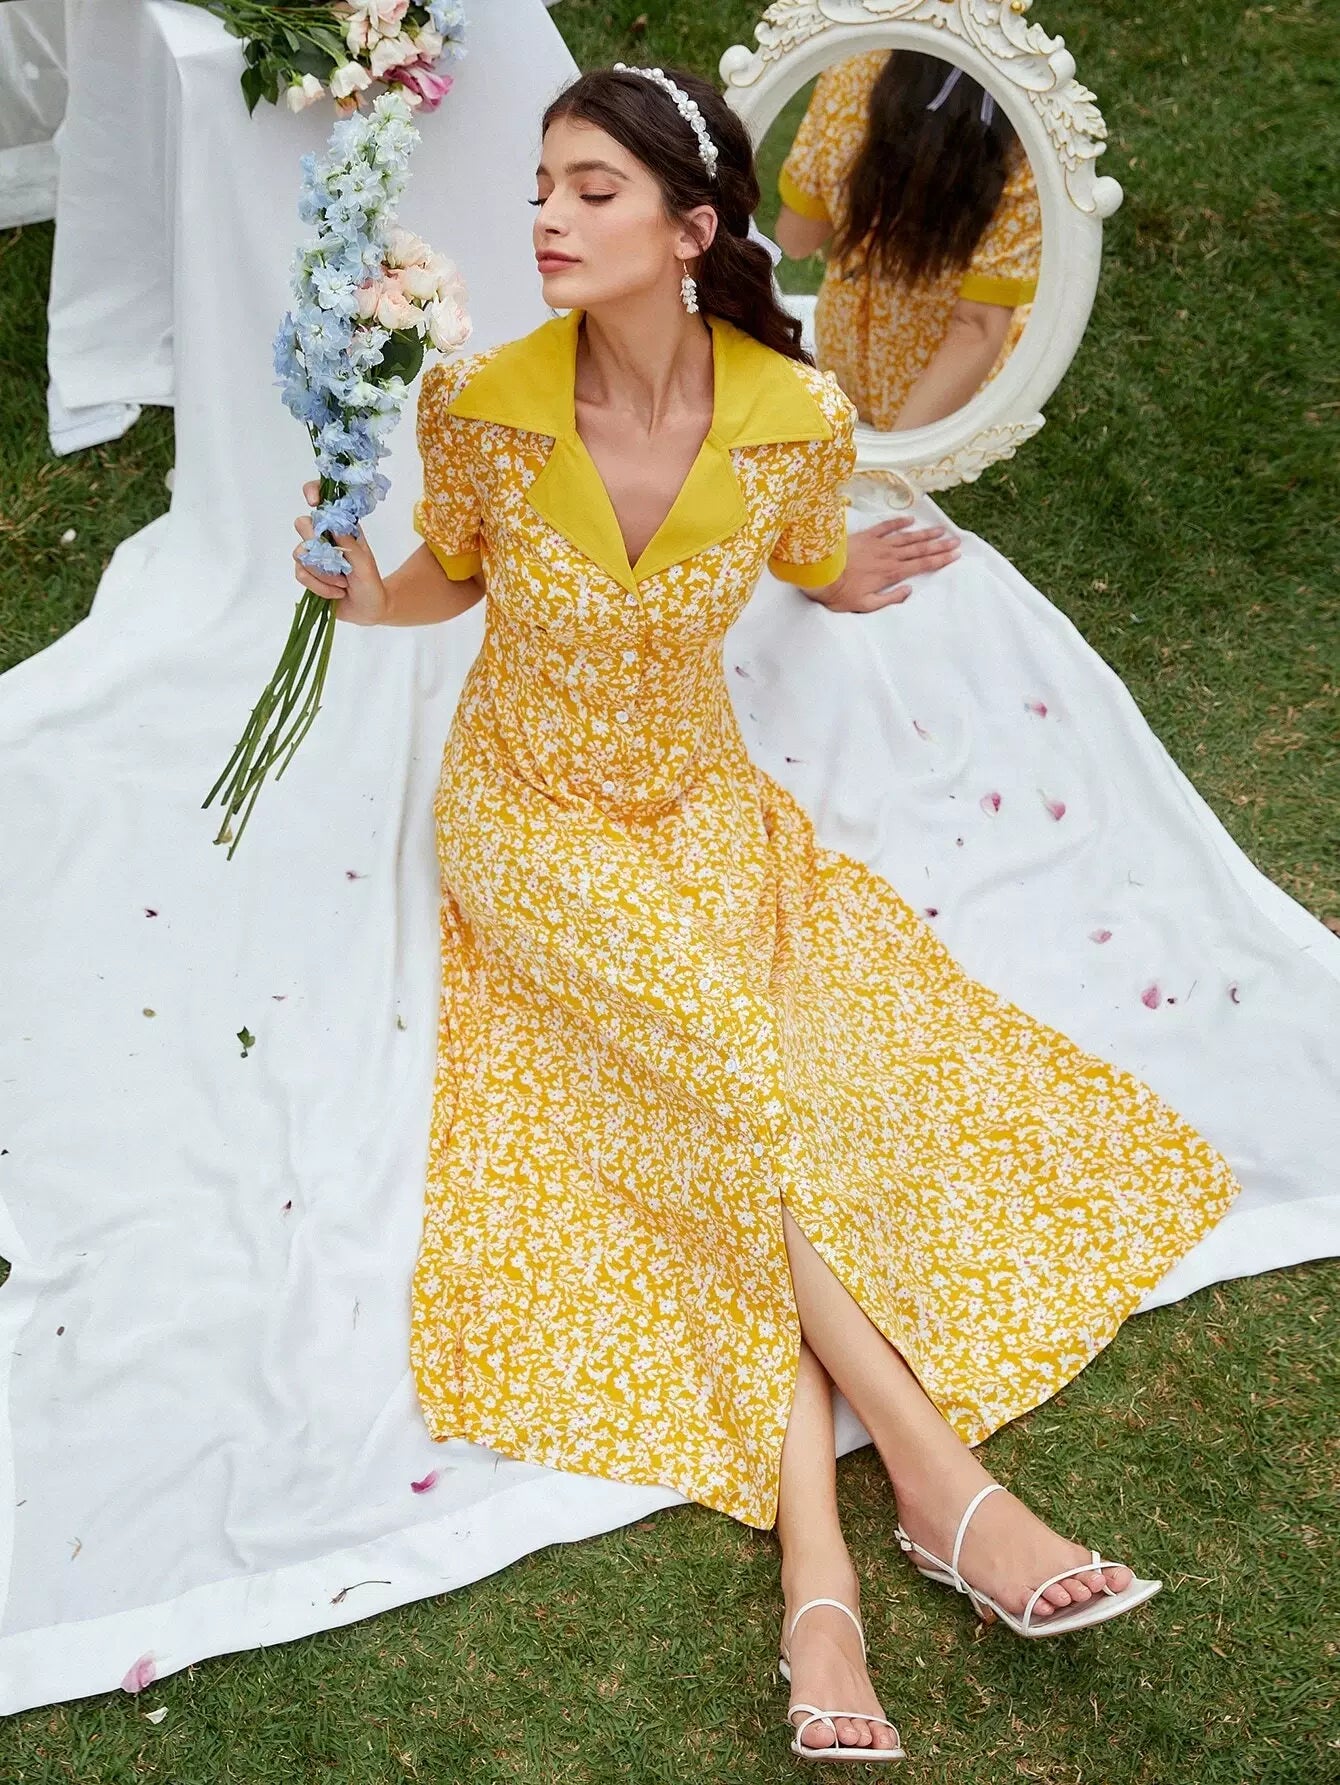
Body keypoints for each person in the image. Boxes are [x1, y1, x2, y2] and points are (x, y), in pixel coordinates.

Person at [290, 64, 1240, 1764]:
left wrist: (839, 573)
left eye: (591, 190)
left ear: (691, 228)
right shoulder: (482, 404)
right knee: (739, 1077)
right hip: (528, 817)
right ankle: (926, 1492)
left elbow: (794, 543)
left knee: (751, 1094)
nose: (546, 217)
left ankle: (830, 1587)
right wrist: (363, 599)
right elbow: (457, 574)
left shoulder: (798, 416)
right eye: (540, 186)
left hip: (707, 809)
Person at [775, 49, 1042, 431]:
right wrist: (899, 455)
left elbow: (796, 237)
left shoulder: (851, 67)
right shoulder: (1029, 131)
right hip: (944, 394)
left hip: (843, 356)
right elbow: (978, 327)